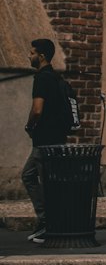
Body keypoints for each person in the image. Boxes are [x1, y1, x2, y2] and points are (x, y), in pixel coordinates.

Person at [22, 38, 67, 243]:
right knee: (31, 175)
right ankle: (47, 220)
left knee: (38, 179)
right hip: (57, 139)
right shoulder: (56, 78)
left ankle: (46, 222)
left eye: (32, 53)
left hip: (44, 141)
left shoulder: (41, 78)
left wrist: (29, 126)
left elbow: (37, 109)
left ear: (41, 56)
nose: (29, 56)